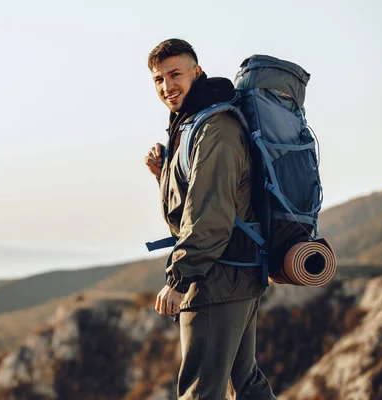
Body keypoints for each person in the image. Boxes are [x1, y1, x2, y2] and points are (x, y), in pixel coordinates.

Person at [144, 38, 277, 400]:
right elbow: (200, 198)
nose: (167, 86)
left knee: (201, 390)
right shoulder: (193, 123)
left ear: (197, 72)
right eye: (158, 79)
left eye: (175, 74)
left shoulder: (214, 128)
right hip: (236, 271)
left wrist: (179, 278)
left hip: (216, 277)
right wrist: (163, 173)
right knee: (244, 383)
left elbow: (211, 215)